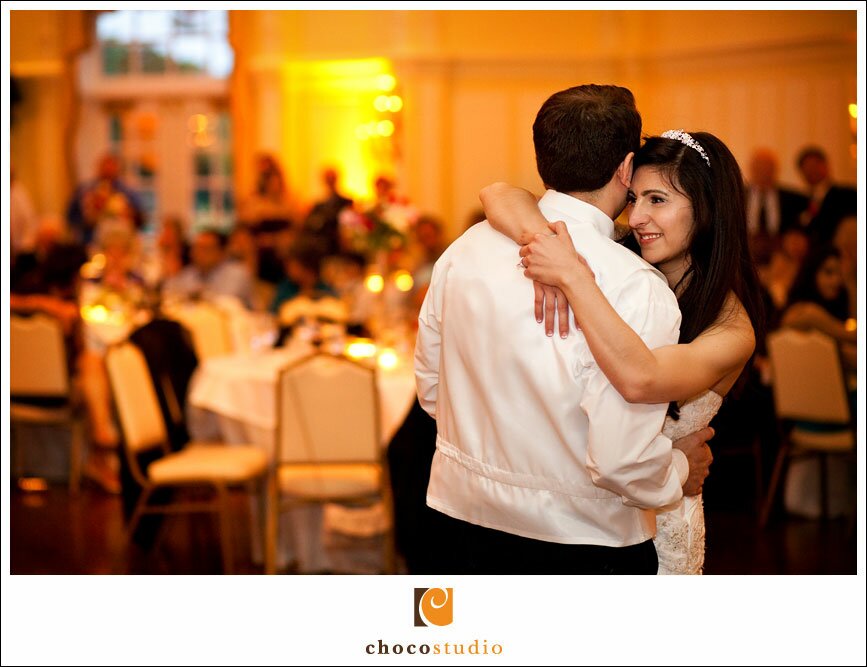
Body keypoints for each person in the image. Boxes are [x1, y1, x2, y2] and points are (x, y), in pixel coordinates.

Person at [415, 85, 714, 575]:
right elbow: (622, 460)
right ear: (625, 168)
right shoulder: (636, 284)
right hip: (579, 543)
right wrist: (680, 469)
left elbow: (431, 388)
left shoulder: (465, 248)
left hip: (458, 524)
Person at [481, 129, 764, 574]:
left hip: (663, 525)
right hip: (588, 523)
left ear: (708, 208)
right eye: (633, 199)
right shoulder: (622, 263)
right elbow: (498, 193)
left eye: (658, 200)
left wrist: (571, 275)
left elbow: (642, 378)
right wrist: (544, 241)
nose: (637, 218)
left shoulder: (731, 327)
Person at [162, 229, 257, 309]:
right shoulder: (190, 273)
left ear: (221, 252)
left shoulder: (237, 274)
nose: (197, 253)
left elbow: (225, 304)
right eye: (196, 248)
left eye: (205, 248)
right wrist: (171, 274)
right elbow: (171, 296)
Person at [67, 154, 145, 246]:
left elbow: (140, 219)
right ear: (98, 167)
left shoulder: (128, 192)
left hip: (121, 244)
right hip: (90, 241)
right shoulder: (85, 190)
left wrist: (127, 214)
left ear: (117, 168)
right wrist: (89, 217)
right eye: (105, 166)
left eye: (111, 166)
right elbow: (71, 217)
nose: (108, 170)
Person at [745, 148, 808, 261]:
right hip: (746, 252)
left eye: (767, 168)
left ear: (775, 170)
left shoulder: (795, 199)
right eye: (758, 167)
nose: (763, 171)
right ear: (751, 169)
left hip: (783, 255)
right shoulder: (737, 195)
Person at [795, 146, 856, 246]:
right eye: (806, 167)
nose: (811, 171)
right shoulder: (800, 200)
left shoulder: (847, 195)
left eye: (814, 165)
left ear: (826, 165)